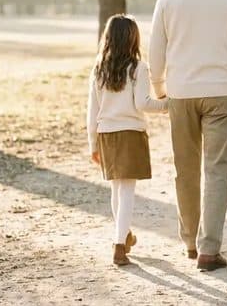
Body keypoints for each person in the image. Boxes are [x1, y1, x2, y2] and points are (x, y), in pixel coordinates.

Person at [148, 0, 227, 271]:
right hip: (222, 91)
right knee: (217, 170)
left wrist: (159, 87)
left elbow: (156, 48)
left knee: (186, 169)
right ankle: (209, 249)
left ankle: (190, 241)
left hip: (181, 91)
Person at [86, 15, 170, 266]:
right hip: (131, 132)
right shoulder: (138, 68)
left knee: (116, 189)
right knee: (127, 191)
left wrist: (93, 143)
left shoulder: (99, 68)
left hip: (107, 134)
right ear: (133, 38)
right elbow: (142, 104)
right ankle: (119, 245)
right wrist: (169, 104)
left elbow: (92, 110)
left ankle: (123, 235)